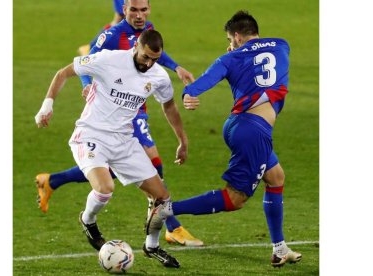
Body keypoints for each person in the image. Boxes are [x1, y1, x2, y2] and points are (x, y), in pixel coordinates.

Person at [36, 0, 204, 247]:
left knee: (144, 175)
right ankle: (171, 226)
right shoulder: (112, 38)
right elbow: (83, 62)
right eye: (134, 10)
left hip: (132, 112)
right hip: (108, 118)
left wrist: (175, 67)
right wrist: (84, 86)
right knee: (131, 174)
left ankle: (156, 240)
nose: (139, 15)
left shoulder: (149, 45)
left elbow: (155, 56)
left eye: (144, 10)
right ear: (123, 9)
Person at [146, 11, 302, 268]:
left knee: (276, 178)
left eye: (231, 39)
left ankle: (279, 248)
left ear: (237, 37)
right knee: (235, 198)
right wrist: (238, 51)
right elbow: (261, 62)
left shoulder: (229, 57)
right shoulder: (282, 44)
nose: (230, 43)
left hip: (241, 126)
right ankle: (166, 211)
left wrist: (189, 93)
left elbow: (204, 81)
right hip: (253, 131)